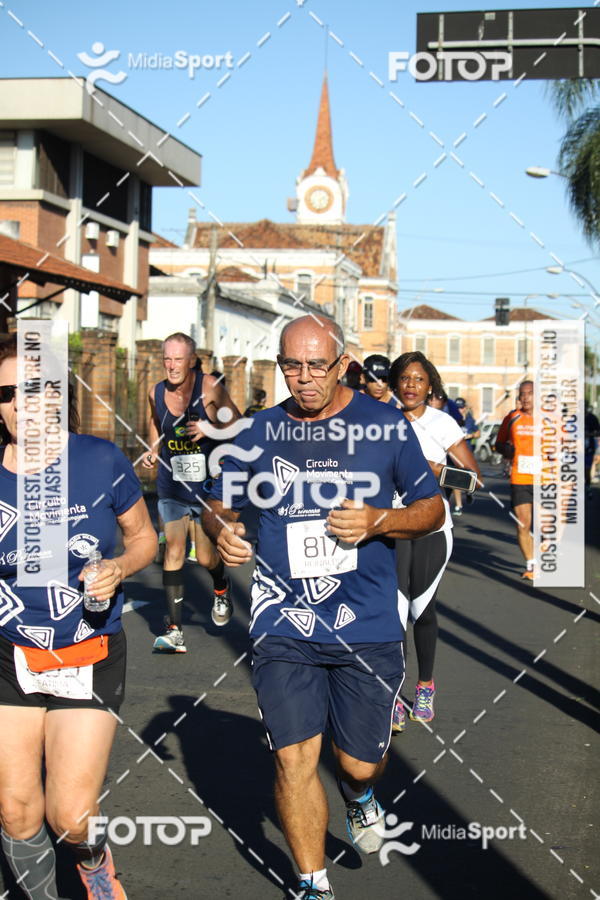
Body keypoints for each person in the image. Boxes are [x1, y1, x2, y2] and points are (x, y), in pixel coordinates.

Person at [202, 315, 444, 900]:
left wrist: (381, 520)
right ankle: (312, 883)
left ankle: (359, 796)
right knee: (293, 758)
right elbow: (217, 504)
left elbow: (431, 507)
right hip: (282, 617)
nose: (303, 378)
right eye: (291, 366)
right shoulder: (259, 431)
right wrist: (225, 531)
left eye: (316, 366)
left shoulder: (384, 426)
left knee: (358, 764)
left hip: (365, 620)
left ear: (342, 365)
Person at [0, 334, 157, 899]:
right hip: (10, 654)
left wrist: (118, 567)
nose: (20, 403)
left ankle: (93, 863)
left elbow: (146, 540)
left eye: (34, 390)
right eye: (7, 392)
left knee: (69, 815)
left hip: (86, 651)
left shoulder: (98, 461)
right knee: (17, 812)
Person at [388, 352, 480, 733]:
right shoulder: (381, 421)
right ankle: (392, 695)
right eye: (405, 379)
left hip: (431, 527)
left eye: (419, 380)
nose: (411, 385)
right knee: (392, 612)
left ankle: (424, 685)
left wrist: (436, 469)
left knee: (421, 610)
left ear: (431, 386)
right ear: (396, 384)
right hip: (389, 526)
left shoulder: (442, 425)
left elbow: (474, 480)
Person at [142, 333, 240, 652]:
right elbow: (155, 425)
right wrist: (153, 449)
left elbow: (238, 424)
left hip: (206, 487)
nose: (172, 366)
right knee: (173, 550)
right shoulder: (155, 390)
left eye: (178, 359)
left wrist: (209, 429)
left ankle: (221, 588)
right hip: (171, 484)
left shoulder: (209, 386)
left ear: (192, 360)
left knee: (208, 557)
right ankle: (174, 630)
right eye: (167, 359)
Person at [495, 380, 537, 579]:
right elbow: (499, 444)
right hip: (520, 476)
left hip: (546, 479)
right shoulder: (512, 418)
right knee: (523, 523)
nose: (526, 397)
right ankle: (531, 564)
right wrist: (507, 450)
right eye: (522, 394)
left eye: (530, 393)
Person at [452, 398, 480, 516]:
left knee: (468, 479)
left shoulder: (470, 420)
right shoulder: (451, 420)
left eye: (462, 407)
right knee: (455, 480)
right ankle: (458, 506)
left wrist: (470, 435)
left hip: (467, 455)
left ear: (465, 408)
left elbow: (478, 433)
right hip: (455, 454)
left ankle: (469, 492)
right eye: (457, 408)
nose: (460, 410)